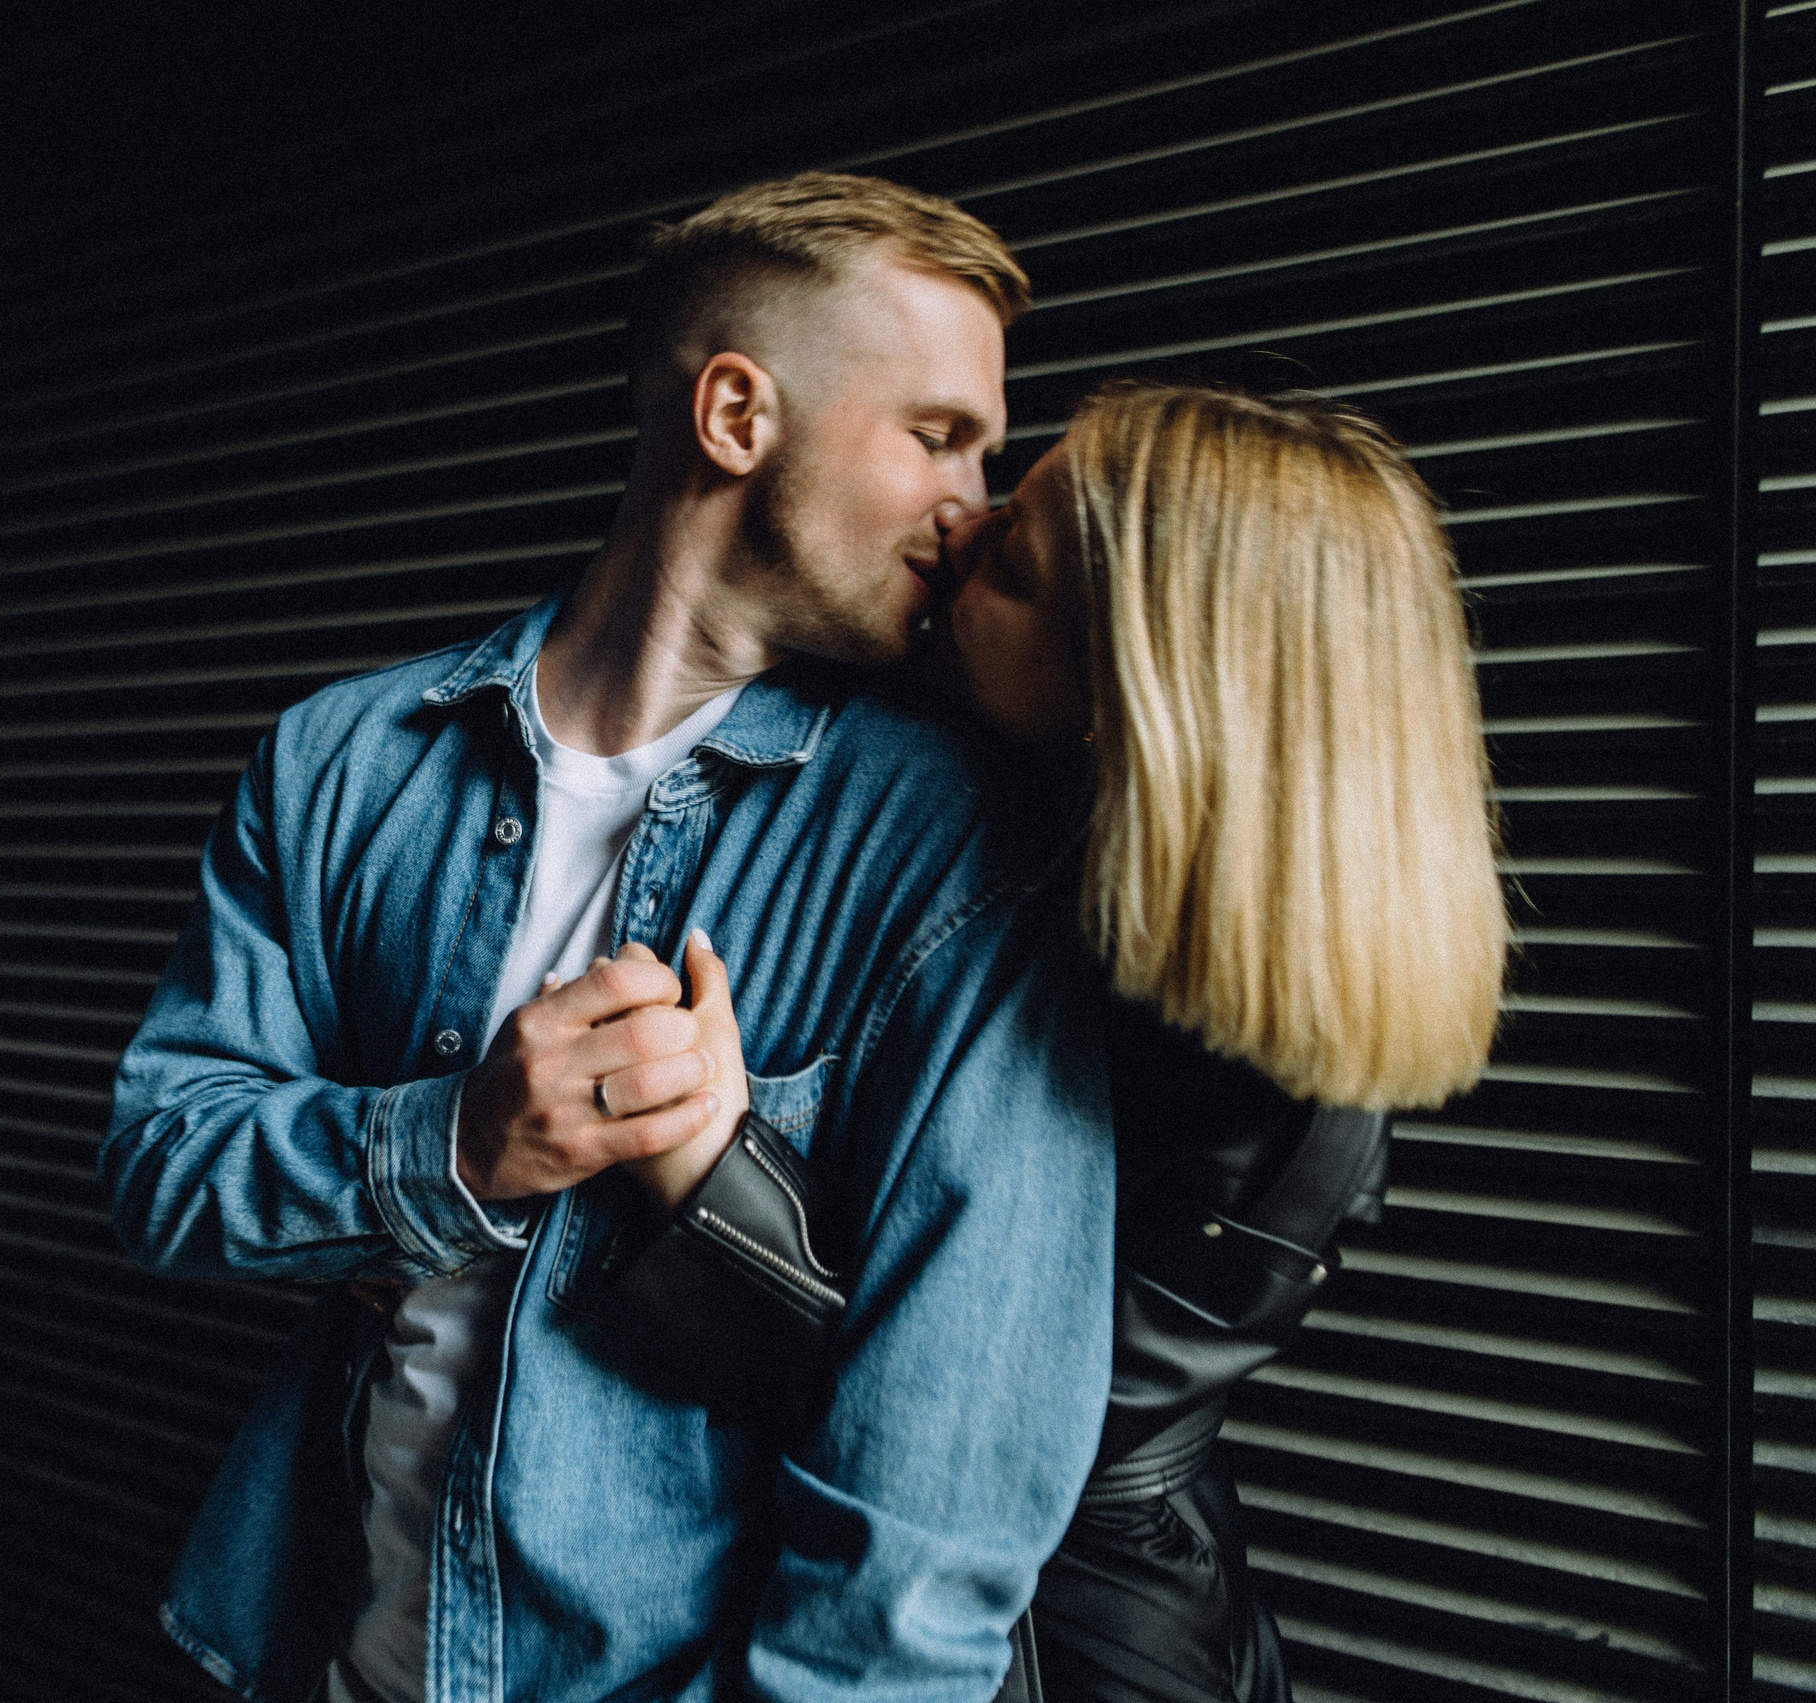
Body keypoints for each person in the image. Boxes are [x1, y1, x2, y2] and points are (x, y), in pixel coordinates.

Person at [100, 172, 1119, 1703]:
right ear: (734, 415)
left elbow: (932, 1525)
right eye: (937, 436)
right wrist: (453, 1145)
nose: (976, 503)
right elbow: (160, 1166)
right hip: (312, 1651)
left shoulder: (954, 850)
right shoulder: (341, 763)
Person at [595, 381, 1509, 1703]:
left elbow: (973, 1414)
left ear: (1128, 692)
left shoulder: (1186, 1044)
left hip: (1055, 1651)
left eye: (1010, 560)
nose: (960, 527)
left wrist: (707, 1176)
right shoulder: (1217, 918)